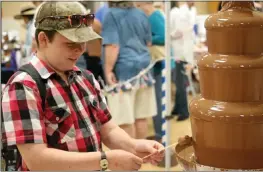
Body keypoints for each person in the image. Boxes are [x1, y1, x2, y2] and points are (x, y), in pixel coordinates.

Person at [1, 2, 165, 171]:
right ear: (43, 39)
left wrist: (133, 145)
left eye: (84, 42)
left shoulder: (85, 78)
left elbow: (108, 130)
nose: (80, 50)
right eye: (71, 43)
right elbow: (37, 160)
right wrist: (105, 159)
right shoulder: (23, 87)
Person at [102, 1, 157, 139]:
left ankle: (130, 158)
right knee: (141, 117)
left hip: (123, 71)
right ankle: (141, 158)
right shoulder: (141, 14)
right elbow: (149, 42)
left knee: (124, 119)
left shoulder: (111, 15)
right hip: (144, 69)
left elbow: (113, 46)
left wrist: (108, 70)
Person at [135, 1, 165, 143]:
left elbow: (164, 36)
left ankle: (160, 134)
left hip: (158, 62)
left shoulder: (155, 16)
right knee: (157, 98)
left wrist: (147, 40)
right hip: (154, 63)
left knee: (158, 98)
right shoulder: (151, 16)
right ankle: (159, 132)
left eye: (139, 5)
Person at [170, 1, 197, 121]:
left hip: (180, 54)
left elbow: (179, 31)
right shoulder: (182, 12)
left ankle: (184, 111)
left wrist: (169, 35)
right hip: (181, 52)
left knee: (180, 83)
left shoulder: (180, 12)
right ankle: (177, 107)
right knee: (178, 81)